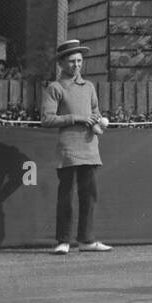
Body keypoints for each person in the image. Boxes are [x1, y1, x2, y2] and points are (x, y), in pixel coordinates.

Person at [40, 39, 111, 254]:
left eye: (79, 61)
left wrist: (99, 123)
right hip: (69, 151)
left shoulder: (89, 87)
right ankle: (63, 241)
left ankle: (87, 241)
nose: (77, 65)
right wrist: (77, 118)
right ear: (61, 63)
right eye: (72, 61)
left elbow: (95, 113)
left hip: (90, 148)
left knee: (89, 195)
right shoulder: (55, 87)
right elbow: (47, 119)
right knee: (66, 197)